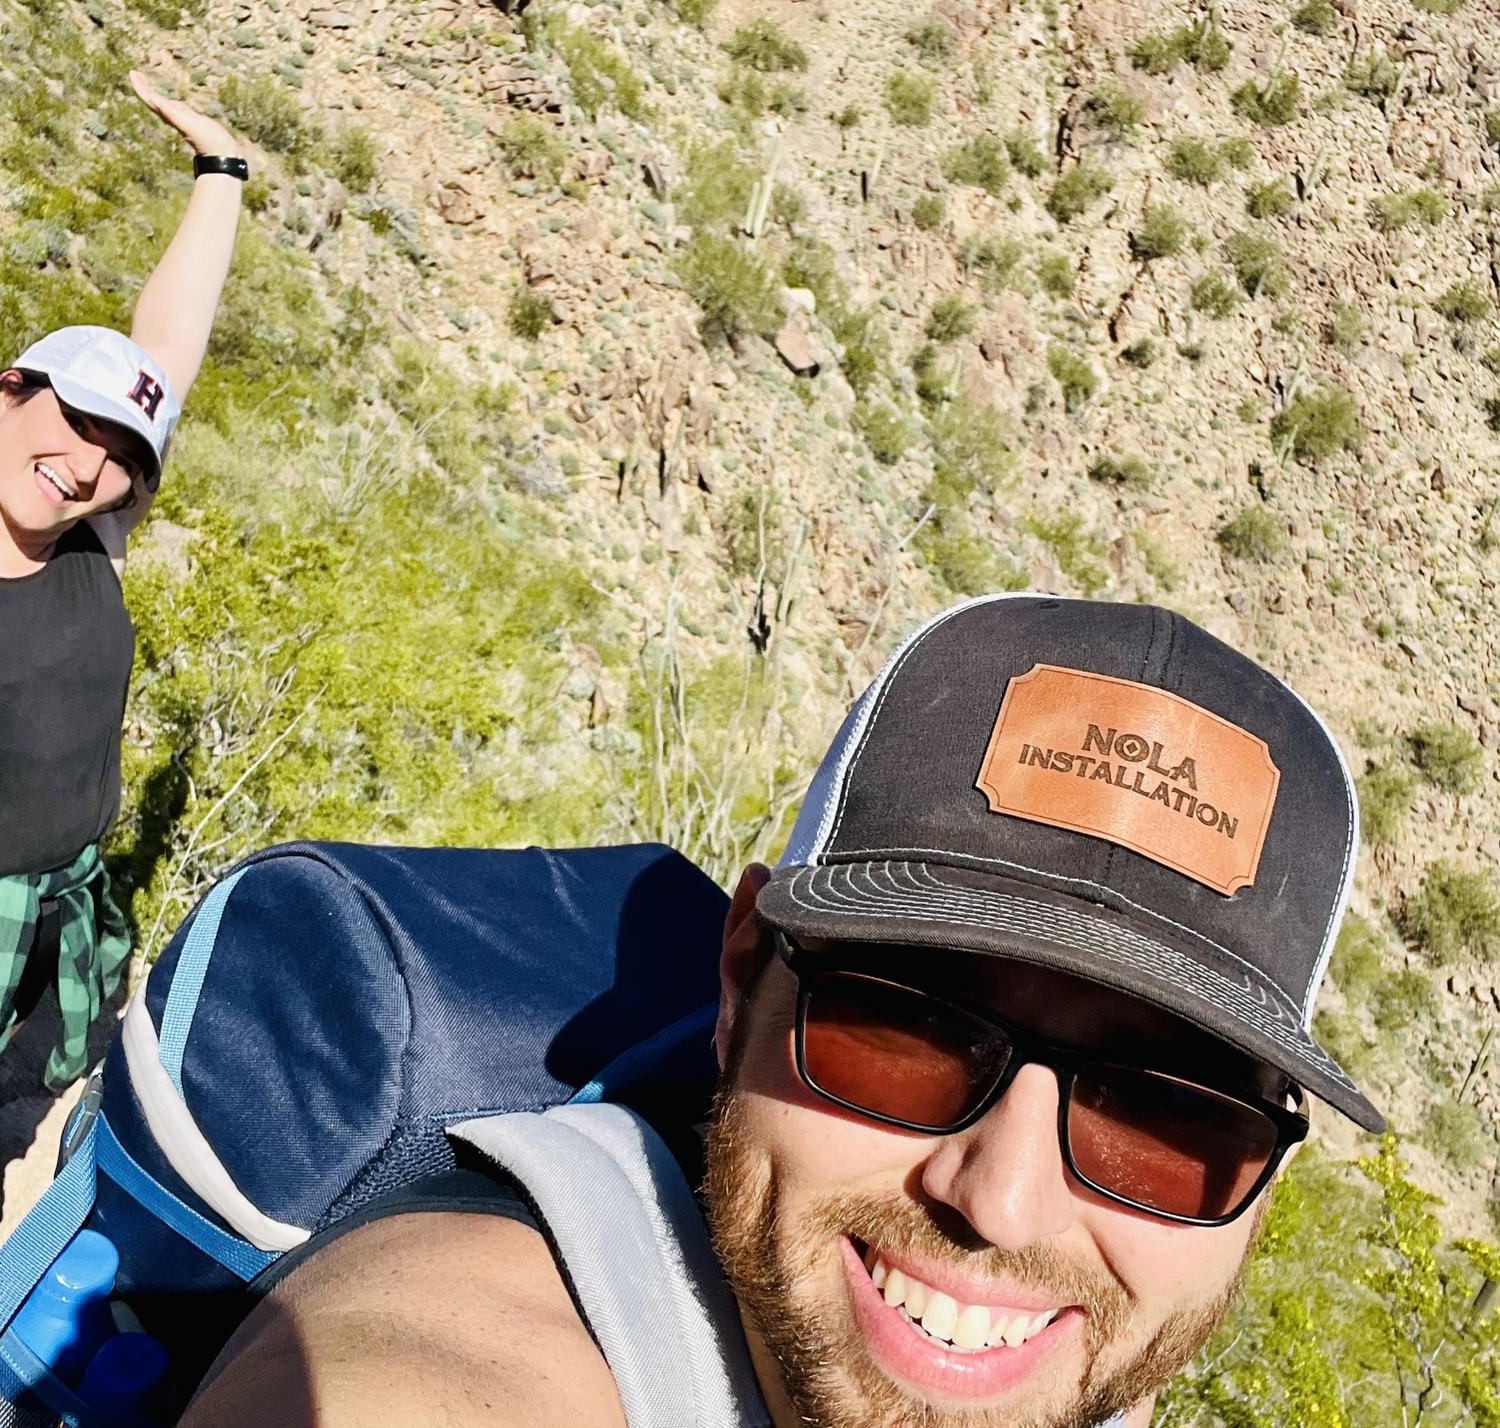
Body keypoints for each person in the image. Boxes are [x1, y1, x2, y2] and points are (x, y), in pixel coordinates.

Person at [180, 594, 1385, 1428]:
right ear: (743, 976)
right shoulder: (451, 1361)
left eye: (1166, 1126)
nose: (1003, 1203)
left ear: (1259, 1184)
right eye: (904, 1029)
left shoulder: (1086, 1337)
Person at [0, 72, 247, 1093]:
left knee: (41, 1088)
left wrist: (222, 172)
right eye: (74, 420)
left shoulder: (96, 535)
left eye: (121, 450)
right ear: (9, 392)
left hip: (70, 892)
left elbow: (167, 356)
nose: (88, 462)